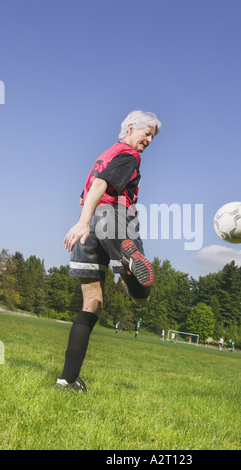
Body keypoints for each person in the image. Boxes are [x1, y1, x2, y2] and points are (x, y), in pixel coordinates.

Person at [56, 110, 162, 392]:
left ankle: (67, 380)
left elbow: (86, 193)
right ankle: (128, 260)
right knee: (140, 297)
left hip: (88, 227)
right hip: (113, 219)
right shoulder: (129, 154)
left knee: (91, 303)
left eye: (153, 136)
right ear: (129, 127)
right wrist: (85, 221)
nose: (149, 140)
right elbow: (104, 186)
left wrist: (83, 223)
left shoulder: (103, 156)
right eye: (147, 133)